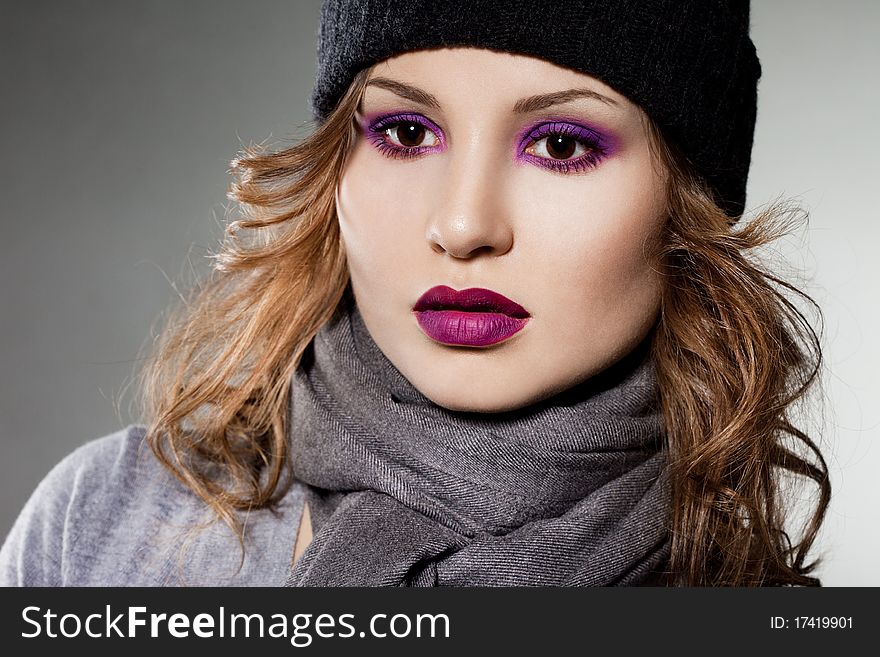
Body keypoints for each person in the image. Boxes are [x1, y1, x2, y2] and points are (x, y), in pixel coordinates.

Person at [0, 0, 829, 587]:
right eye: (404, 132)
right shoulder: (106, 529)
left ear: (687, 208)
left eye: (564, 143)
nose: (463, 223)